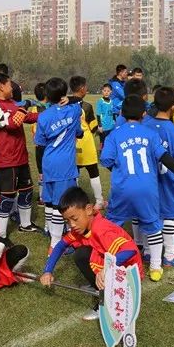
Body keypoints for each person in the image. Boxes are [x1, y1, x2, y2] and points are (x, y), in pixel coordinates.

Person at [101, 95, 174, 282]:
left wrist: (121, 171)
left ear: (121, 112)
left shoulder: (115, 134)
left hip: (122, 189)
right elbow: (165, 157)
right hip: (147, 189)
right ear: (144, 113)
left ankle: (108, 265)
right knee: (153, 227)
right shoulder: (150, 133)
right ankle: (155, 267)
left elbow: (106, 160)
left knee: (111, 227)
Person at [40, 187, 143, 320]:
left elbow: (130, 251)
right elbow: (60, 246)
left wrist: (107, 269)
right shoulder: (81, 228)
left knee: (82, 254)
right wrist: (48, 271)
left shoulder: (102, 229)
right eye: (67, 221)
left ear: (88, 209)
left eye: (74, 218)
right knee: (81, 254)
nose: (72, 224)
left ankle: (104, 302)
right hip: (113, 267)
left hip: (129, 275)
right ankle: (100, 285)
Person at [0, 73, 39, 237]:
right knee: (8, 196)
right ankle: (0, 234)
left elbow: (28, 117)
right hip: (6, 158)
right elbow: (11, 123)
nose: (13, 88)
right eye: (10, 85)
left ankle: (25, 224)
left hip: (21, 156)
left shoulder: (11, 103)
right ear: (1, 86)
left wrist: (51, 114)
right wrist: (25, 106)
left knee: (27, 190)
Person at [144, 87, 174, 267]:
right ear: (173, 107)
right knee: (169, 216)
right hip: (169, 181)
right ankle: (170, 255)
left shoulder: (145, 127)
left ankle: (148, 251)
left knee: (150, 217)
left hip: (148, 182)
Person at [34, 77, 82, 250]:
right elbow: (79, 102)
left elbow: (39, 142)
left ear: (46, 95)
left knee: (50, 200)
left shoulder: (43, 117)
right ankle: (56, 242)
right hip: (65, 165)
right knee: (61, 204)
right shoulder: (74, 110)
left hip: (48, 162)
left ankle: (49, 229)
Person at [69, 76, 104, 207]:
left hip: (72, 143)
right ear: (82, 89)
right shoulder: (87, 107)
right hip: (86, 142)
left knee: (74, 174)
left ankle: (75, 201)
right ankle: (99, 201)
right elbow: (93, 126)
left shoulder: (66, 104)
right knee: (93, 171)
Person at [95, 83, 115, 149]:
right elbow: (98, 114)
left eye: (108, 91)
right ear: (102, 91)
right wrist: (100, 126)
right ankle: (101, 153)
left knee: (110, 141)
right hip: (103, 126)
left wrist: (114, 121)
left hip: (111, 125)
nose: (106, 92)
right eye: (104, 90)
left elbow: (112, 113)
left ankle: (108, 153)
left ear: (111, 92)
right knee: (102, 141)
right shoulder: (100, 102)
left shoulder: (112, 101)